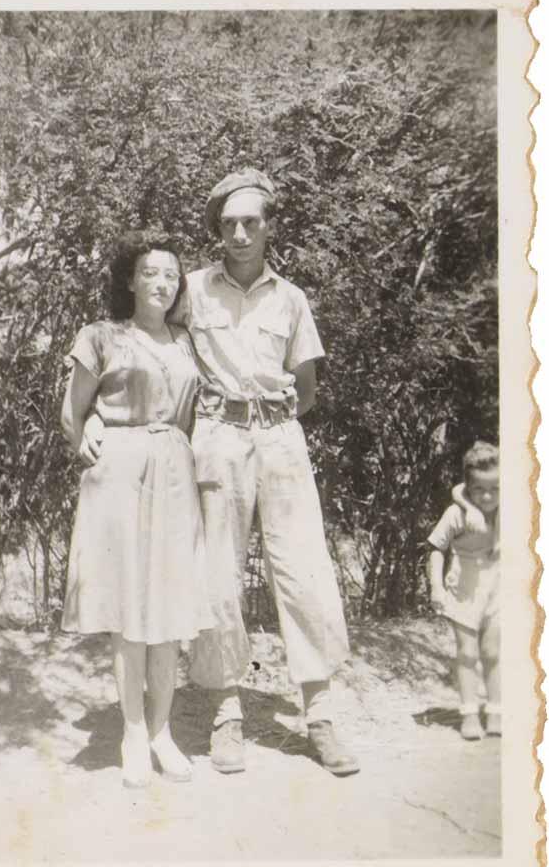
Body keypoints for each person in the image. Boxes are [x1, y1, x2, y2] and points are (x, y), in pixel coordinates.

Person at [179, 168, 358, 777]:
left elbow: (305, 389)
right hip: (217, 437)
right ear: (217, 229)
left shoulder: (292, 298)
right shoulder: (191, 290)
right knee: (217, 574)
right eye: (228, 223)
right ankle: (226, 714)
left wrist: (268, 421)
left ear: (269, 226)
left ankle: (321, 717)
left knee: (303, 569)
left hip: (280, 436)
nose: (238, 233)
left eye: (250, 221)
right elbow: (158, 353)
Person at [60, 228, 213, 788]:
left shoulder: (186, 341)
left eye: (172, 274)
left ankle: (161, 733)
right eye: (150, 271)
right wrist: (90, 432)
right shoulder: (101, 335)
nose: (162, 282)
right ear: (129, 278)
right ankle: (130, 733)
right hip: (120, 469)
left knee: (169, 609)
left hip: (175, 468)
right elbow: (72, 413)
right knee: (129, 611)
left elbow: (200, 412)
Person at [427, 441, 501, 740]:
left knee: (493, 651)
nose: (487, 496)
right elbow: (435, 548)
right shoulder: (456, 514)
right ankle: (469, 712)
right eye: (478, 490)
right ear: (467, 487)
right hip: (463, 587)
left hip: (498, 586)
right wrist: (435, 587)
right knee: (467, 653)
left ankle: (497, 710)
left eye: (494, 489)